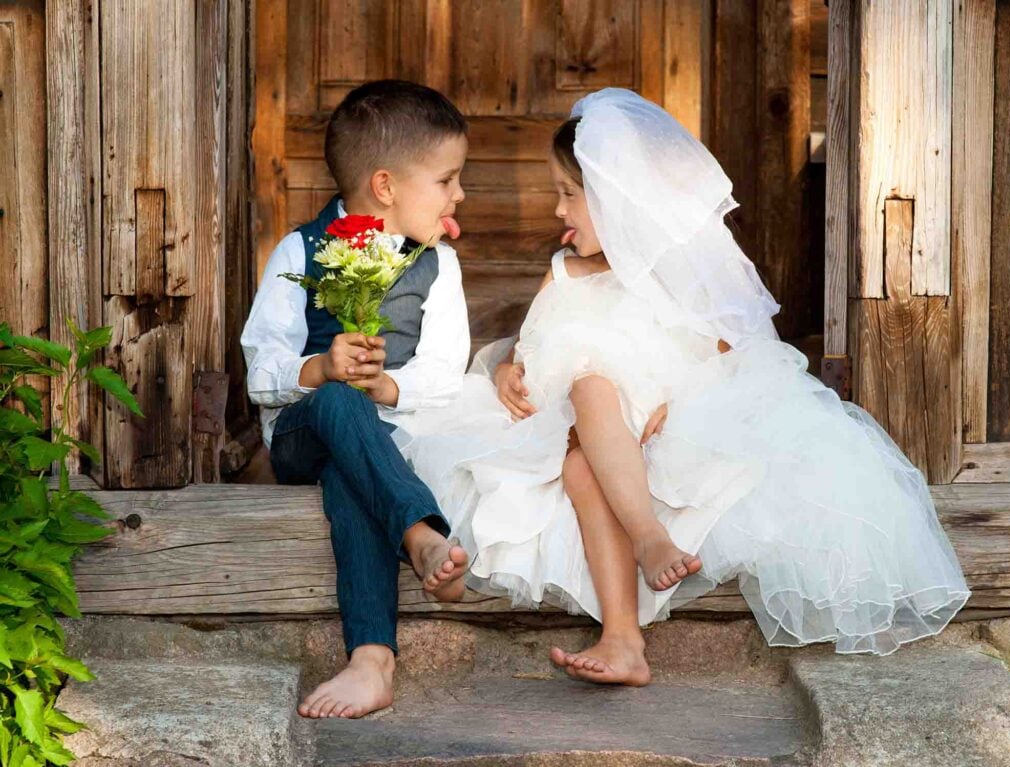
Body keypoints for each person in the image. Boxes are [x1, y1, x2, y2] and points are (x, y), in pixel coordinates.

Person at [393, 88, 971, 687]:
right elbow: (530, 342)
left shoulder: (672, 278)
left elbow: (729, 352)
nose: (559, 211)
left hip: (650, 420)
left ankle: (648, 538)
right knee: (577, 465)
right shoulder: (563, 269)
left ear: (618, 199)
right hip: (569, 431)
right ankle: (623, 638)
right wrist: (509, 368)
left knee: (593, 388)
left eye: (570, 195)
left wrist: (684, 398)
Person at [241, 79, 472, 718]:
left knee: (352, 473)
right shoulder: (301, 251)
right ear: (386, 186)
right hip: (301, 434)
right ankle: (421, 534)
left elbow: (448, 372)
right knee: (342, 405)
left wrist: (389, 384)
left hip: (382, 443)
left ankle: (372, 661)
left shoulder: (438, 265)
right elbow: (260, 370)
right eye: (448, 179)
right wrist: (319, 368)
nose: (459, 195)